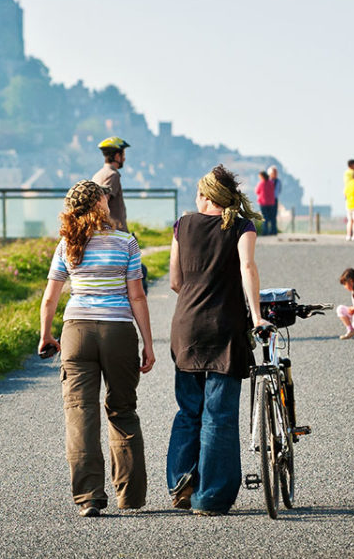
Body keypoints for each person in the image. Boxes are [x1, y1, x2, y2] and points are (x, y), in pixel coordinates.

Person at [38, 180, 155, 518]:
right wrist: (147, 342)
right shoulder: (126, 243)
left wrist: (46, 335)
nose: (109, 198)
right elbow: (137, 296)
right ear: (99, 204)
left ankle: (89, 497)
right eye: (105, 196)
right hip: (118, 331)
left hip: (76, 332)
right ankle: (130, 496)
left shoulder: (67, 244)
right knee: (122, 410)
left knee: (80, 413)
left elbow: (50, 297)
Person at [166, 164, 264, 516]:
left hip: (187, 328)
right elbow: (247, 269)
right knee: (219, 416)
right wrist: (256, 315)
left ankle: (181, 482)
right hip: (225, 330)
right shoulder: (242, 227)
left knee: (188, 410)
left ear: (205, 196)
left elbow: (175, 281)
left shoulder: (182, 225)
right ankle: (210, 498)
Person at [92, 137, 130, 232]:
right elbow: (101, 202)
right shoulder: (113, 175)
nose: (124, 159)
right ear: (117, 156)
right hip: (114, 233)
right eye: (123, 154)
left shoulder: (98, 174)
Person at [255, 170, 278, 236]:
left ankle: (265, 231)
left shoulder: (261, 183)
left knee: (265, 217)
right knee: (271, 217)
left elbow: (257, 191)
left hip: (263, 202)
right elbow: (273, 190)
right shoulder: (271, 183)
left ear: (262, 176)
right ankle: (273, 230)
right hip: (271, 202)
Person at [267, 165, 283, 233]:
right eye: (274, 172)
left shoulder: (278, 181)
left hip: (275, 199)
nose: (276, 174)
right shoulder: (267, 181)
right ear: (270, 174)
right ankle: (266, 231)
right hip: (267, 200)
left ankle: (273, 230)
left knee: (274, 215)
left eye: (276, 173)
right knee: (267, 216)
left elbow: (279, 190)